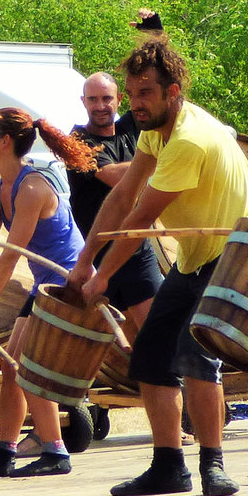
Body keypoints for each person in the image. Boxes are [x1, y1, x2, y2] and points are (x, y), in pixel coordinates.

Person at [66, 37, 248, 496]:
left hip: (231, 252)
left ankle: (213, 462)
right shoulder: (155, 132)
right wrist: (82, 262)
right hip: (194, 256)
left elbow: (137, 219)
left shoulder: (188, 139)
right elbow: (119, 197)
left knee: (195, 353)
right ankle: (168, 465)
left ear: (173, 92)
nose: (135, 103)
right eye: (131, 93)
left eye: (145, 93)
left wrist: (102, 277)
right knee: (151, 354)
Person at [0, 107, 97, 478]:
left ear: (5, 142)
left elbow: (10, 255)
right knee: (11, 363)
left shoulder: (32, 188)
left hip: (70, 285)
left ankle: (54, 450)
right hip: (44, 286)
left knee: (25, 365)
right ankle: (5, 450)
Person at [66, 71, 164, 334]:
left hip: (135, 253)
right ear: (83, 102)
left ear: (120, 100)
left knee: (155, 338)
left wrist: (156, 34)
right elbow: (114, 177)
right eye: (93, 99)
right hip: (94, 258)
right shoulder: (77, 142)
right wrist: (165, 160)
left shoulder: (131, 129)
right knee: (93, 350)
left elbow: (157, 90)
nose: (100, 106)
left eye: (106, 98)